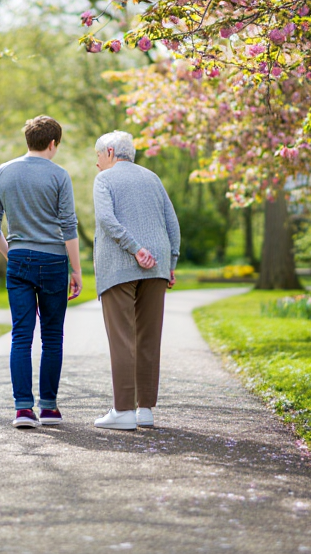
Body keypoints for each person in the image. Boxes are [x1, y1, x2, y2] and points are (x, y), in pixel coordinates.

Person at [0, 116, 82, 429]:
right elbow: (68, 226)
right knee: (52, 337)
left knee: (21, 336)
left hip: (19, 261)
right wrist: (76, 270)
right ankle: (50, 408)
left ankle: (23, 409)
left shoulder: (3, 172)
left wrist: (10, 253)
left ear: (28, 140)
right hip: (54, 262)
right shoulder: (59, 175)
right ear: (53, 144)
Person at [92, 131, 181, 431]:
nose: (97, 163)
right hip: (158, 266)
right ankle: (145, 410)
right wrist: (172, 262)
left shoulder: (104, 180)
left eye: (98, 156)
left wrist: (135, 248)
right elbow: (172, 223)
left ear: (111, 151)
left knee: (123, 339)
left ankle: (123, 411)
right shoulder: (152, 178)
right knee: (148, 338)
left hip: (120, 265)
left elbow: (106, 219)